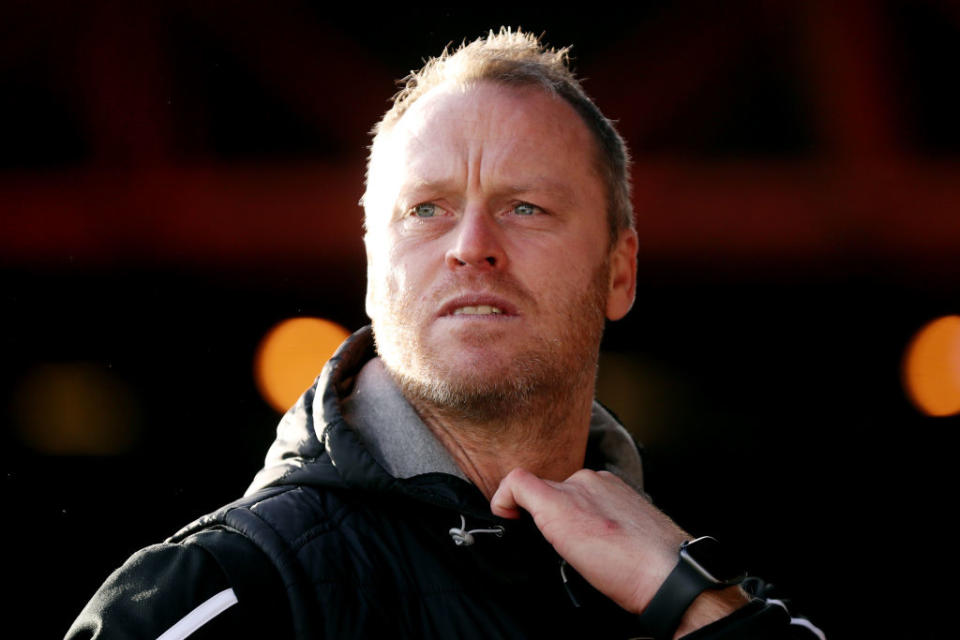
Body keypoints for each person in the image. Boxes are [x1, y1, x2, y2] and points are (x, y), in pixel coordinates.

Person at [66, 30, 824, 640]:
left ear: (620, 272)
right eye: (426, 209)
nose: (471, 243)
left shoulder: (709, 604)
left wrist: (689, 602)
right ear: (371, 271)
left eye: (525, 206)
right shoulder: (222, 597)